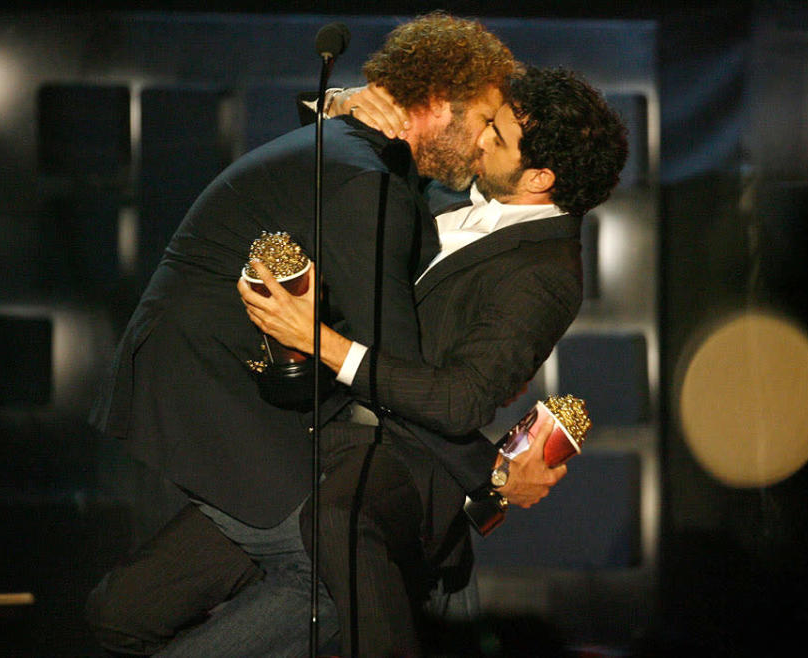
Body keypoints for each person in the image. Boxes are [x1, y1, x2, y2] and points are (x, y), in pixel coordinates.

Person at [84, 12, 518, 657]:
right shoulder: (363, 181)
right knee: (332, 578)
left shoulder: (363, 158)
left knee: (126, 612)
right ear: (433, 104)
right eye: (484, 120)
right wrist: (495, 475)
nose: (485, 141)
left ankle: (120, 615)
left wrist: (336, 102)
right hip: (222, 394)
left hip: (255, 402)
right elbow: (389, 367)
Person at [239, 65, 629, 657]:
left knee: (336, 535)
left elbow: (457, 400)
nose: (478, 138)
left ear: (540, 177)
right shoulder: (451, 186)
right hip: (318, 440)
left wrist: (322, 342)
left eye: (496, 136)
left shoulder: (546, 275)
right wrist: (344, 104)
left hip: (402, 474)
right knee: (125, 612)